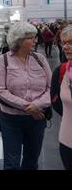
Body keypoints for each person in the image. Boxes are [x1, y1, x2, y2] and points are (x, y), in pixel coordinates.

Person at [0, 22, 51, 170]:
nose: (35, 41)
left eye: (35, 37)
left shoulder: (40, 59)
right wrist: (28, 107)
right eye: (31, 38)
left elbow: (51, 88)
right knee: (12, 162)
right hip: (11, 119)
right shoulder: (3, 60)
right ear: (19, 40)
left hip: (38, 118)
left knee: (32, 160)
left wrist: (36, 106)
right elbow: (1, 91)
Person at [51, 25, 72, 170]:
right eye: (63, 43)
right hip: (67, 140)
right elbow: (55, 100)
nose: (65, 47)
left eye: (71, 43)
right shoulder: (61, 71)